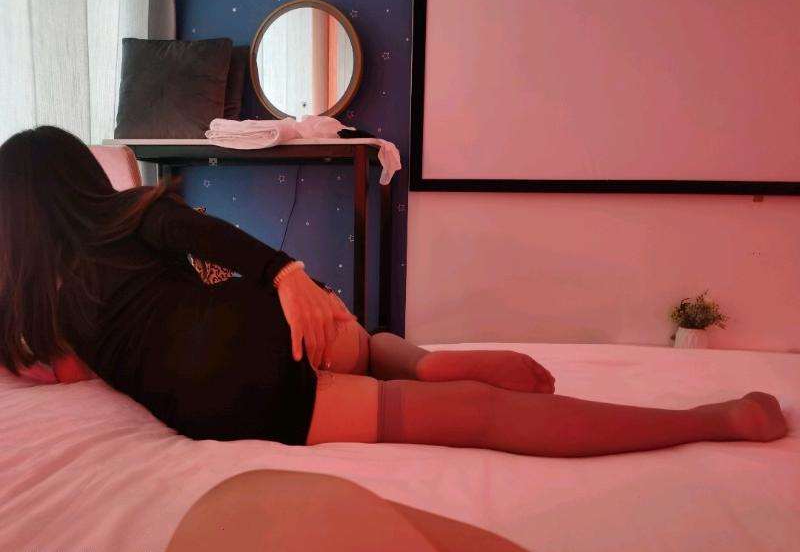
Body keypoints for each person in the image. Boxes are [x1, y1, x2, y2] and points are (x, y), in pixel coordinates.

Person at [0, 126, 788, 457]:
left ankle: (713, 424)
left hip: (220, 411)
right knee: (363, 342)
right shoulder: (134, 214)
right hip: (262, 335)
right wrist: (286, 273)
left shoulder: (38, 307)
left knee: (480, 421)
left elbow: (63, 370)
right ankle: (407, 358)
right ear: (79, 179)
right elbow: (210, 238)